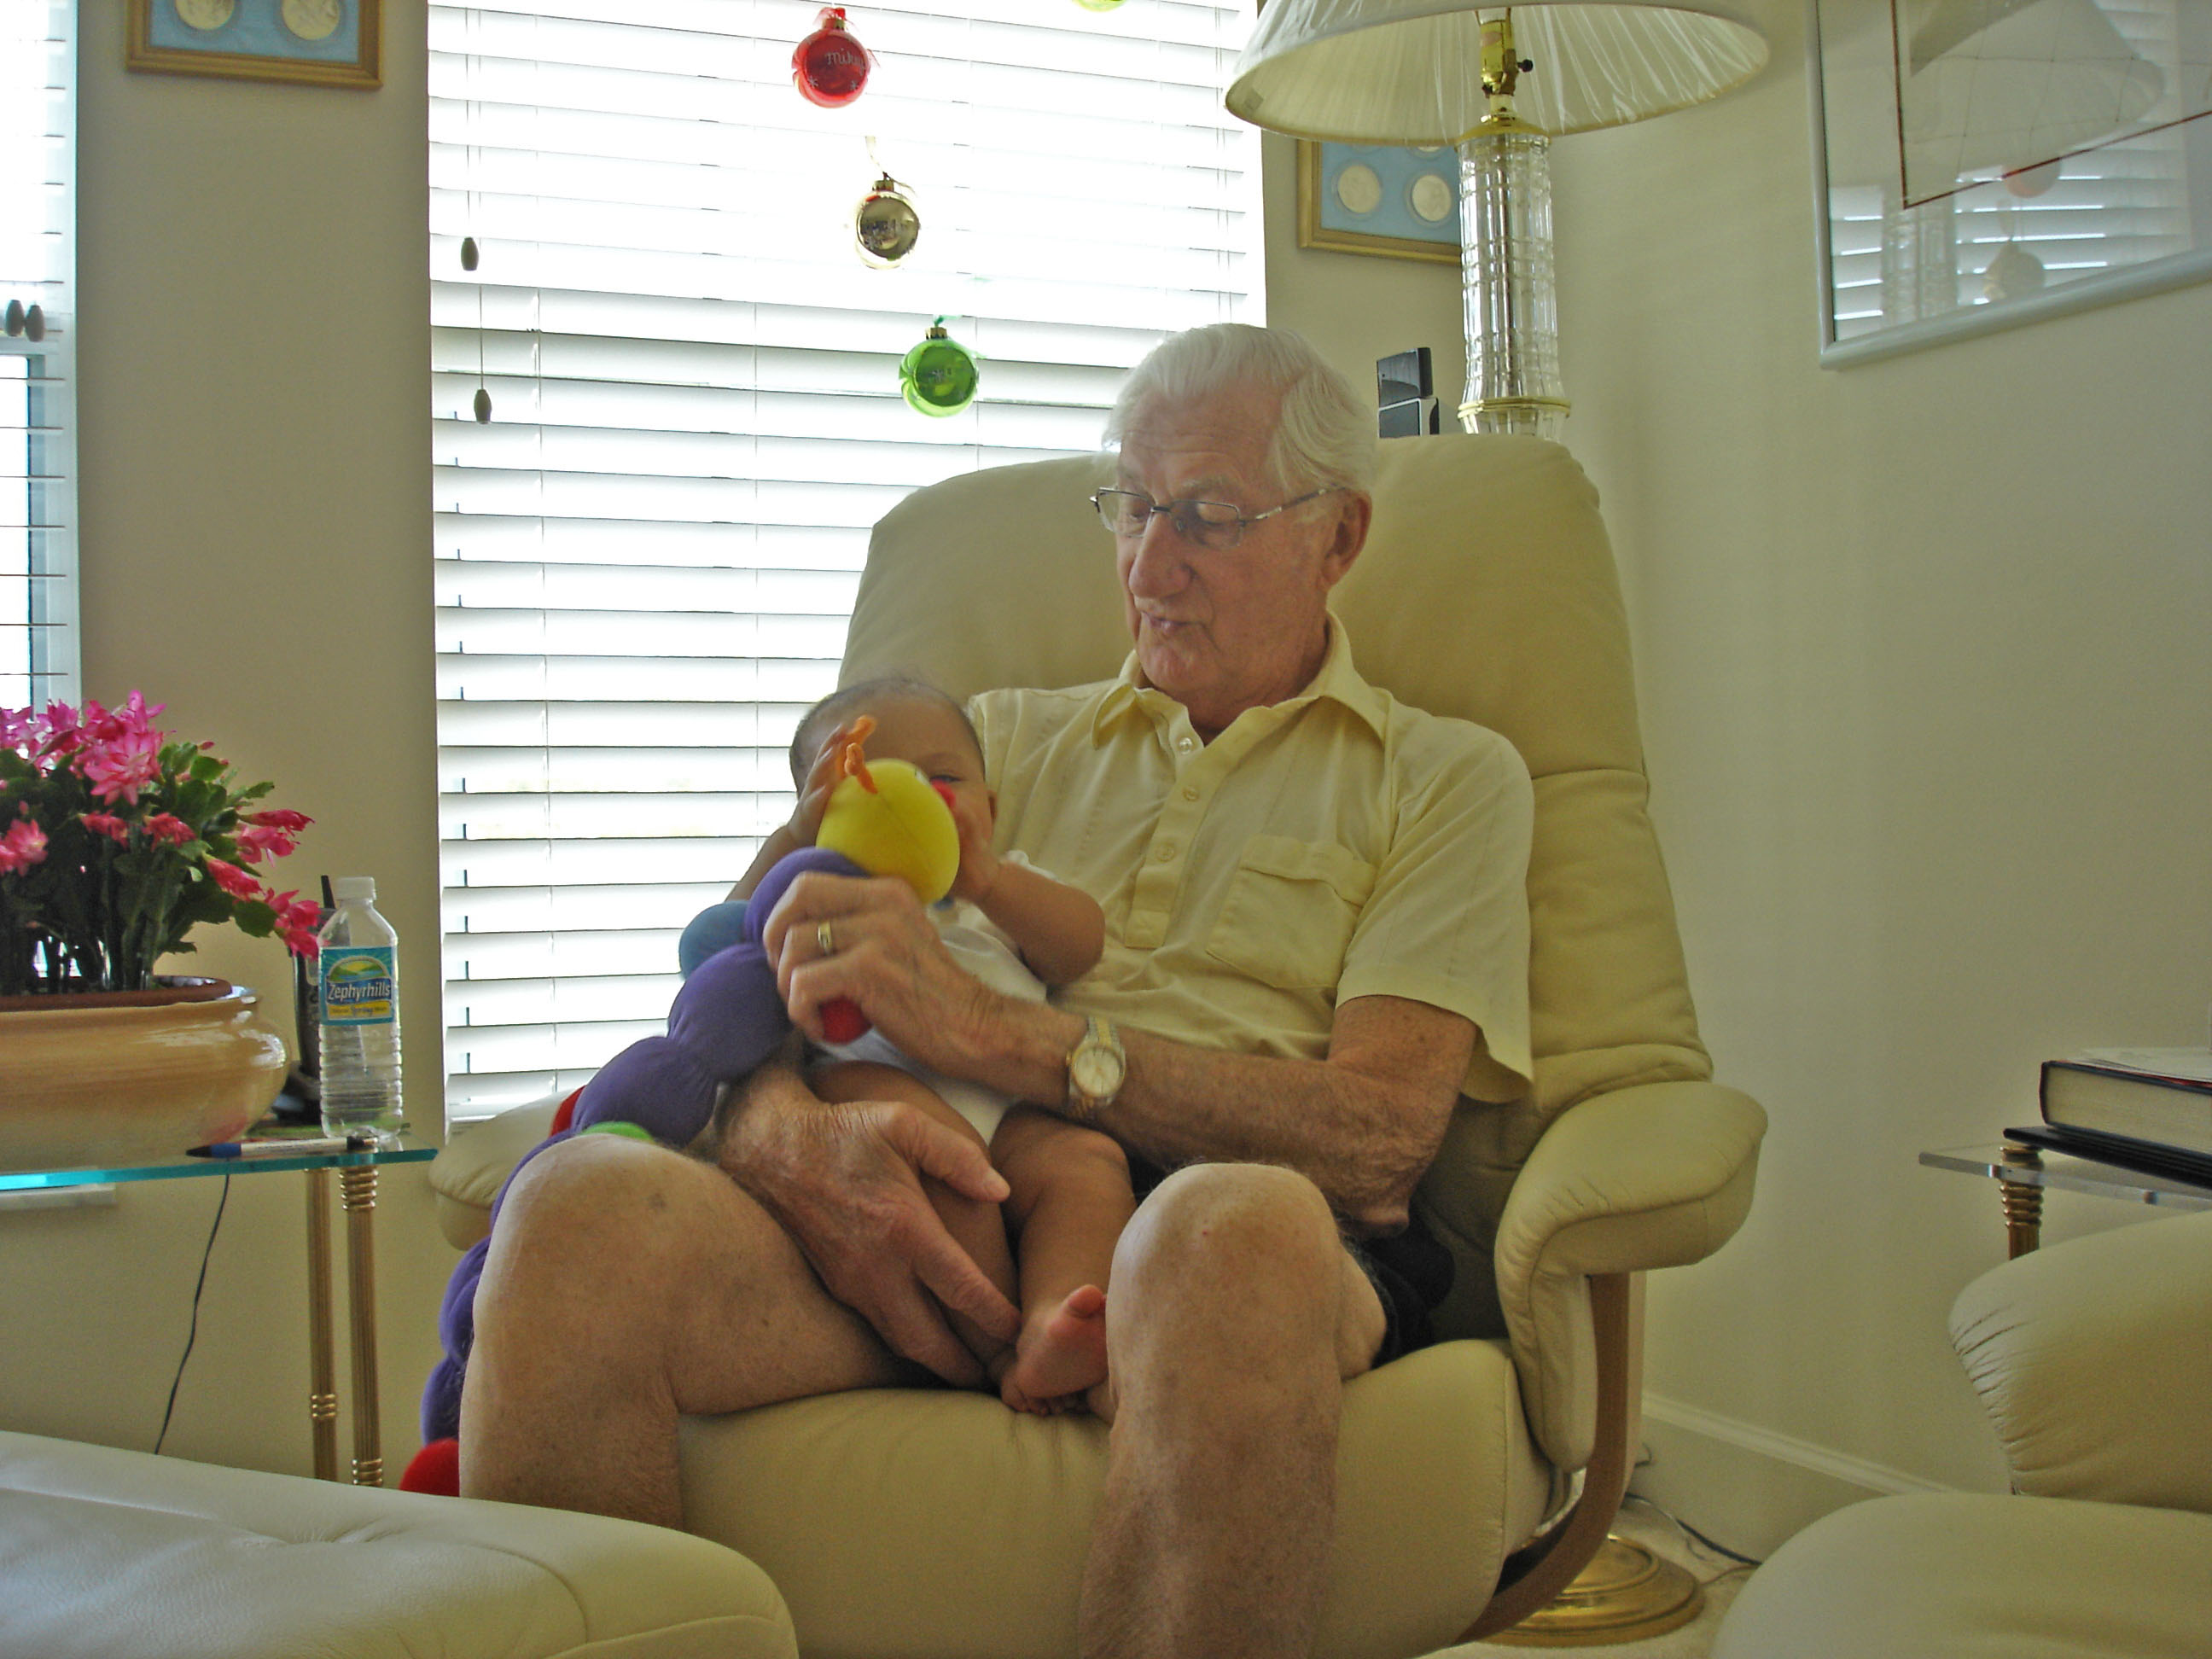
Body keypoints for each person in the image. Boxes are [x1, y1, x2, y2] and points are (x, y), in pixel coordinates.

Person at [459, 322, 1534, 1659]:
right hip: (946, 1208)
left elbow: (1379, 1137)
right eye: (1131, 507)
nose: (1148, 565)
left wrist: (1006, 1035)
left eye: (1207, 517)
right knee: (572, 1214)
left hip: (1236, 1228)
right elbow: (770, 952)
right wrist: (784, 1131)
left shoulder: (1445, 777)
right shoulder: (990, 742)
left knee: (1223, 1229)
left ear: (1339, 537)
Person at [729, 678, 1132, 1415]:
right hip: (869, 1081)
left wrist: (988, 880)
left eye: (943, 779)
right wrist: (792, 842)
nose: (911, 797)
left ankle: (1058, 1318)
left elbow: (1081, 945)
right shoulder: (819, 894)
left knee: (1088, 1163)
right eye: (861, 780)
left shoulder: (1000, 890)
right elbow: (734, 933)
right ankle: (997, 1347)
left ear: (991, 811)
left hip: (1012, 1104)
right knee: (939, 1155)